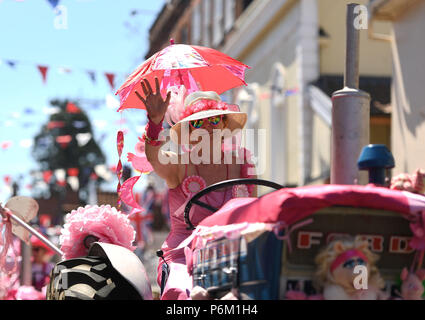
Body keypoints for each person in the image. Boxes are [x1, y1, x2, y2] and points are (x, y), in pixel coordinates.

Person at [136, 78, 257, 300]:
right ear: (190, 132)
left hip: (233, 252)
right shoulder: (179, 165)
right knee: (187, 293)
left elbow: (253, 213)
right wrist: (155, 123)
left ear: (223, 124)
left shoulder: (242, 162)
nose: (208, 128)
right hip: (184, 255)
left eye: (214, 120)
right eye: (199, 123)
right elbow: (155, 159)